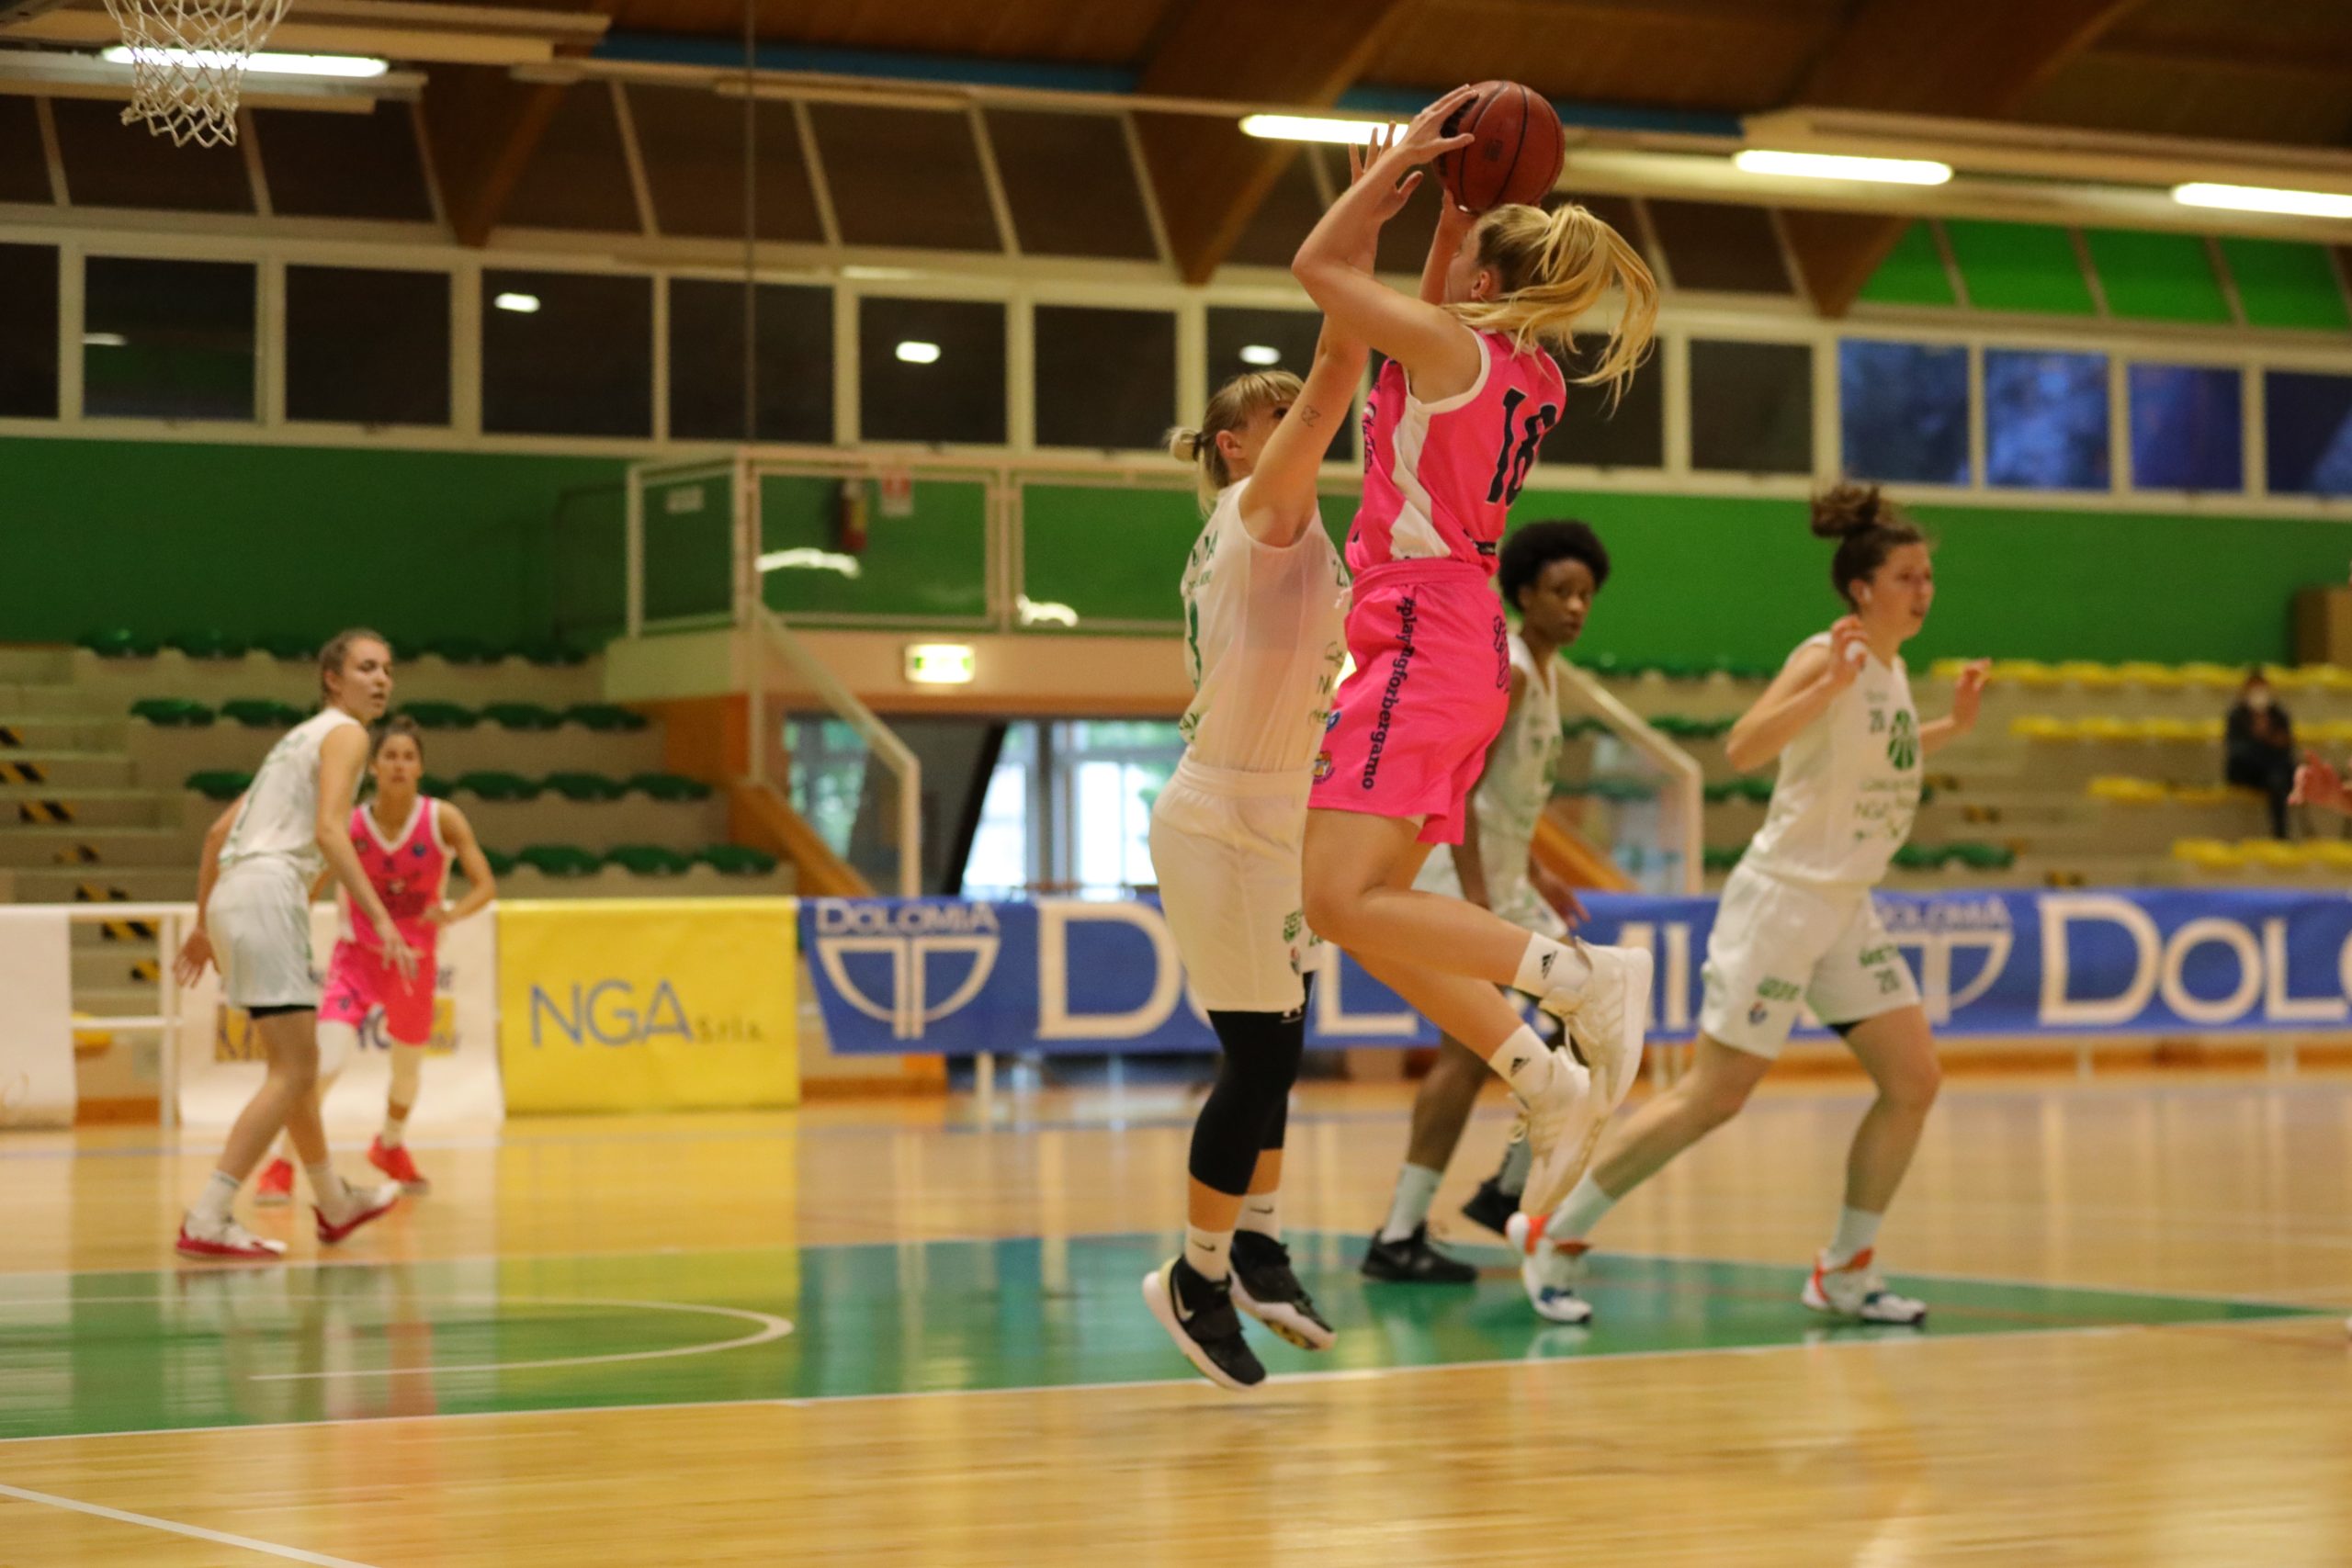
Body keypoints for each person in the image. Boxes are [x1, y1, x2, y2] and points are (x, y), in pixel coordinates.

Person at [1291, 86, 1660, 1226]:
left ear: (1484, 283)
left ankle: (1583, 980)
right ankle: (1539, 1075)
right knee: (1366, 907)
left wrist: (1383, 180)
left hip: (1422, 634)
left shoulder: (1452, 350)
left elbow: (1317, 268)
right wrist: (1450, 209)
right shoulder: (1523, 372)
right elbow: (1426, 297)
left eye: (1460, 261)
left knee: (1335, 897)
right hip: (1450, 641)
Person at [1510, 485, 1990, 1326]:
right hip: (1782, 901)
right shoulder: (1827, 656)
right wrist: (1826, 685)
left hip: (1844, 907)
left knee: (1913, 1080)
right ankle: (1553, 1226)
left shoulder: (1886, 669)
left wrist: (1951, 724)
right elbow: (1743, 746)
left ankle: (1845, 1268)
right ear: (1862, 589)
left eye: (1928, 577)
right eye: (1907, 576)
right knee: (1714, 1095)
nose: (1924, 590)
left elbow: (1875, 754)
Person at [1138, 138, 1375, 1393]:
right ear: (1236, 446)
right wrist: (1368, 224)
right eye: (1276, 414)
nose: (1305, 423)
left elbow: (1338, 378)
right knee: (1262, 1056)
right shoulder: (1259, 515)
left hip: (1282, 808)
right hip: (1223, 809)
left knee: (1287, 1042)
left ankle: (1261, 1242)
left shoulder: (1302, 527)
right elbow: (1342, 366)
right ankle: (1194, 1274)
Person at [1363, 520, 1607, 1287]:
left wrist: (1536, 871)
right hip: (1464, 882)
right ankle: (1400, 1231)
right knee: (1468, 1051)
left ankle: (1502, 1186)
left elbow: (1507, 802)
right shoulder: (1513, 671)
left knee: (1590, 1017)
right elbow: (1461, 790)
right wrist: (1477, 898)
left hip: (1504, 883)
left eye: (1585, 594)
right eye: (1560, 591)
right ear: (1525, 593)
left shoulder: (1546, 672)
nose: (1575, 606)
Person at [173, 629, 413, 1260]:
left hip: (236, 896)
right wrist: (381, 917)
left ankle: (333, 1201)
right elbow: (331, 832)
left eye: (387, 669)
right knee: (295, 1071)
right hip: (269, 892)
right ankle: (208, 1214)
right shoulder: (347, 735)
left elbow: (217, 834)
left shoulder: (293, 743)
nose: (382, 680)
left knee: (296, 1066)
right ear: (333, 679)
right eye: (367, 668)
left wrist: (203, 924)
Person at [253, 716, 498, 1206]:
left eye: (409, 757)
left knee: (407, 1072)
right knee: (325, 1064)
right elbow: (314, 883)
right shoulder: (348, 823)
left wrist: (450, 914)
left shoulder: (443, 819)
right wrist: (288, 925)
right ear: (372, 767)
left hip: (413, 963)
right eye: (390, 756)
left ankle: (389, 1144)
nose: (399, 765)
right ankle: (282, 1162)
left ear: (420, 767)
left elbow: (486, 886)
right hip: (356, 960)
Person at [2226, 670, 2296, 840]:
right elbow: (2236, 752)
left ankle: (2280, 835)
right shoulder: (2237, 716)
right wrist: (2262, 738)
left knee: (2279, 778)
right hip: (2247, 771)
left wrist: (2269, 738)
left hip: (2273, 772)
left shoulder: (2279, 715)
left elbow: (2286, 747)